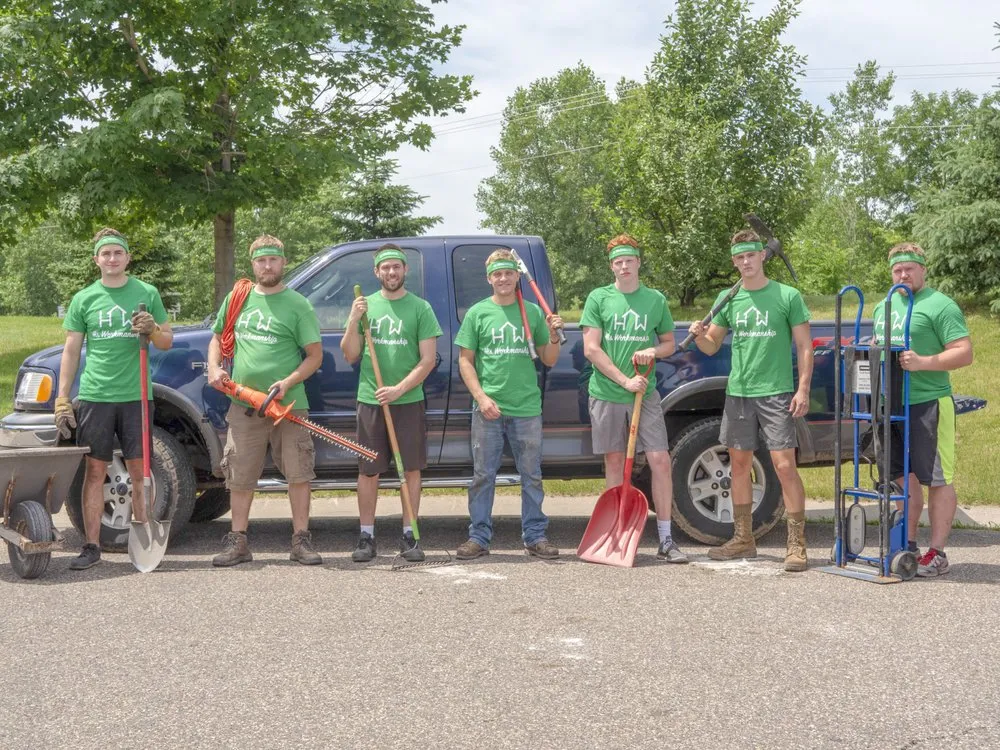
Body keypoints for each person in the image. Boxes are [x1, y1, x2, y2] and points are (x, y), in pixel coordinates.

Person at [687, 228, 813, 571]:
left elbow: (804, 346)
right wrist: (699, 336)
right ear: (734, 262)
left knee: (784, 466)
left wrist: (802, 389)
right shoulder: (728, 298)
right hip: (739, 392)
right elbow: (711, 345)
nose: (746, 262)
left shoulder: (787, 296)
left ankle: (796, 545)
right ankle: (743, 538)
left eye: (751, 255)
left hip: (776, 392)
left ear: (762, 256)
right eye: (740, 257)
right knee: (739, 466)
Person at [55, 228, 174, 570]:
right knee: (95, 470)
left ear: (127, 258)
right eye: (105, 254)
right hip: (96, 396)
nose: (112, 259)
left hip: (136, 396)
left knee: (139, 470)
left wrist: (152, 329)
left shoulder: (146, 293)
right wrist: (62, 397)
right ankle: (92, 546)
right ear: (97, 260)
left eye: (117, 253)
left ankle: (143, 539)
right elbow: (71, 350)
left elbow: (166, 341)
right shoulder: (84, 298)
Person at [206, 235, 324, 567]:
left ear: (283, 262)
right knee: (240, 474)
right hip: (244, 405)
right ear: (253, 264)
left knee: (299, 473)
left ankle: (301, 541)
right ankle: (238, 543)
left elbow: (314, 356)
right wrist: (214, 367)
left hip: (288, 405)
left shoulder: (298, 304)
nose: (267, 266)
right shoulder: (237, 298)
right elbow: (217, 337)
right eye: (261, 260)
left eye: (273, 260)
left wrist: (288, 382)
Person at [580, 234, 687, 562]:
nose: (624, 266)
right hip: (607, 393)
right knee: (614, 461)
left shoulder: (655, 299)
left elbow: (669, 343)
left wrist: (652, 351)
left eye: (629, 260)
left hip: (645, 393)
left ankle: (666, 539)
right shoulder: (599, 298)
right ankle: (615, 534)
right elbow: (591, 349)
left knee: (660, 460)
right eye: (618, 262)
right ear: (612, 266)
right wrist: (624, 380)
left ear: (639, 262)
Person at [453, 248, 563, 560]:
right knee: (483, 476)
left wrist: (554, 336)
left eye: (508, 273)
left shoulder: (532, 312)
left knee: (532, 476)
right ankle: (478, 538)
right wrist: (481, 397)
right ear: (489, 278)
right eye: (497, 274)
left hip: (526, 408)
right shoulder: (478, 313)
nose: (503, 278)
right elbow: (465, 361)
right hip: (488, 409)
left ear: (517, 276)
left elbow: (549, 359)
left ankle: (535, 536)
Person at [871, 242, 973, 577]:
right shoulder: (883, 306)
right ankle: (909, 544)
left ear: (922, 270)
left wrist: (923, 362)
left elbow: (964, 352)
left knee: (937, 479)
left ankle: (938, 553)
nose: (903, 275)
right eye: (897, 270)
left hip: (929, 403)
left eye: (909, 269)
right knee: (902, 476)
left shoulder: (940, 305)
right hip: (889, 404)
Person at [341, 243, 442, 563]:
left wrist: (399, 389)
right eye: (385, 267)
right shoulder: (365, 306)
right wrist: (353, 319)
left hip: (407, 399)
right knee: (369, 470)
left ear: (405, 269)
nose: (391, 272)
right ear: (377, 272)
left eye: (396, 266)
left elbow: (428, 360)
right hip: (370, 399)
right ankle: (366, 536)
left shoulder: (421, 308)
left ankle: (410, 535)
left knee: (410, 469)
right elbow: (350, 353)